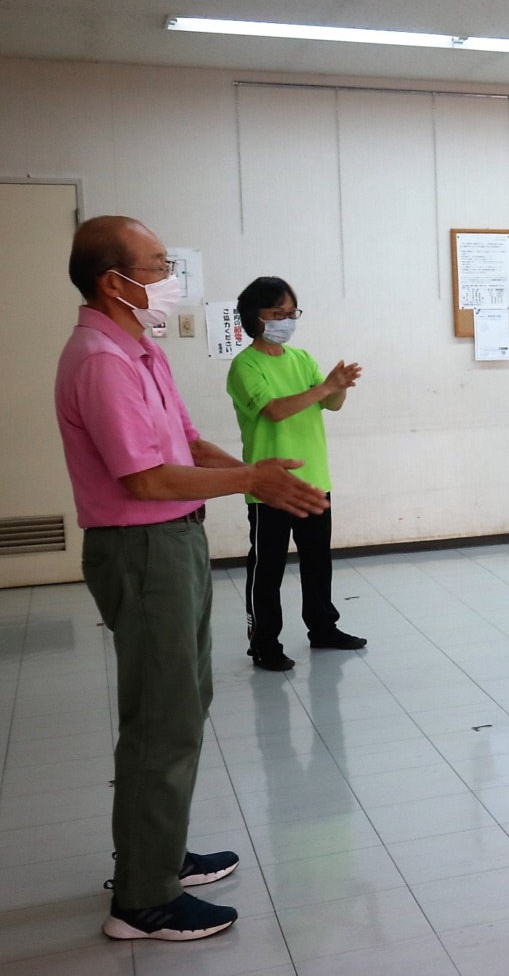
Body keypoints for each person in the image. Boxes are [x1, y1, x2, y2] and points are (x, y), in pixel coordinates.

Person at [54, 216, 330, 941]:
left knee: (180, 701)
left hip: (174, 542)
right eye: (156, 266)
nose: (169, 279)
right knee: (163, 717)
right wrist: (252, 480)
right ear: (114, 282)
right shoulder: (101, 361)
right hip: (142, 549)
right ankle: (144, 899)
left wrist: (258, 478)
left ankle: (157, 854)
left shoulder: (138, 349)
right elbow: (144, 478)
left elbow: (186, 442)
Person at [227, 277, 365, 671]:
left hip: (314, 478)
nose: (286, 321)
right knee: (267, 567)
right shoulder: (244, 366)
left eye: (291, 313)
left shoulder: (301, 358)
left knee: (317, 561)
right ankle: (264, 642)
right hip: (270, 485)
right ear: (254, 316)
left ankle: (323, 628)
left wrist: (339, 387)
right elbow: (275, 410)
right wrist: (325, 388)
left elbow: (331, 405)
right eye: (277, 314)